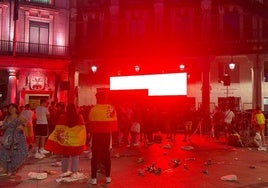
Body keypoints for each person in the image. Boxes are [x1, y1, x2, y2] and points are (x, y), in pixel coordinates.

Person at [45, 103, 87, 182]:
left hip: (66, 140)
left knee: (65, 155)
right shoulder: (79, 117)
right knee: (75, 156)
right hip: (75, 141)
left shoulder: (63, 117)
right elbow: (82, 129)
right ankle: (74, 171)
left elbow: (58, 128)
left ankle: (64, 171)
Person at [88, 91, 118, 185]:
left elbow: (90, 122)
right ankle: (108, 177)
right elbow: (114, 122)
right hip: (107, 135)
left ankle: (93, 178)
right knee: (107, 156)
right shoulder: (111, 108)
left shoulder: (93, 109)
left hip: (96, 135)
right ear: (106, 98)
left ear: (97, 99)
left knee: (95, 157)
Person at [0, 103, 28, 176]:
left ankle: (12, 169)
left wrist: (22, 125)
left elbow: (26, 122)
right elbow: (4, 127)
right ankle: (6, 169)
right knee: (5, 153)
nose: (11, 109)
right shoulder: (7, 117)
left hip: (17, 137)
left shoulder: (19, 117)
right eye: (9, 108)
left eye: (13, 108)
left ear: (16, 109)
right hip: (7, 138)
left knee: (16, 153)